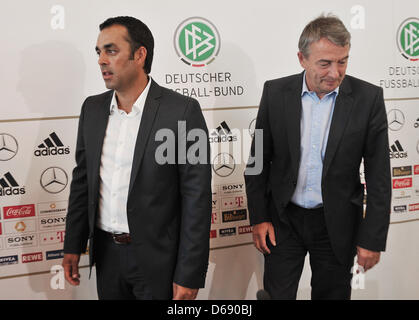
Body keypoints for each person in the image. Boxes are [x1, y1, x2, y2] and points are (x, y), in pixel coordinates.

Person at [62, 16, 212, 300]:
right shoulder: (92, 109)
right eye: (99, 52)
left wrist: (189, 272)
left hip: (159, 262)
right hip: (106, 257)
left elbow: (197, 199)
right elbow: (82, 182)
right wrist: (72, 244)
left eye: (111, 50)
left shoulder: (182, 111)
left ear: (140, 55)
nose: (102, 61)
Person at [245, 14, 391, 300]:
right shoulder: (275, 93)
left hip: (336, 223)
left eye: (343, 61)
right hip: (283, 221)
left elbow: (380, 176)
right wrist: (259, 217)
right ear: (302, 58)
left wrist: (372, 239)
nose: (335, 73)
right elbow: (258, 161)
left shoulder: (368, 99)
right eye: (325, 63)